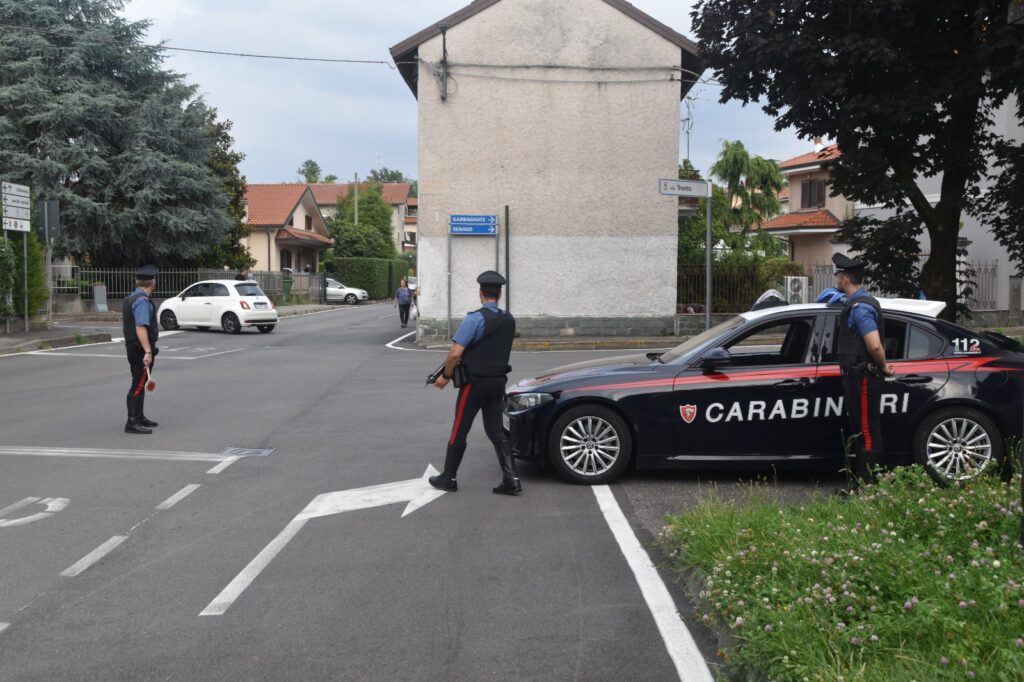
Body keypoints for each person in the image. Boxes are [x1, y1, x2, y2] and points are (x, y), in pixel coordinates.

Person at [429, 271, 520, 495]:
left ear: (480, 293)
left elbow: (454, 354)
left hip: (474, 384)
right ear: (499, 293)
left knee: (460, 428)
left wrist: (446, 377)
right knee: (496, 431)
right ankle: (512, 479)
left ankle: (449, 477)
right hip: (498, 383)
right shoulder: (509, 320)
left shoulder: (474, 319)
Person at [833, 254, 896, 483]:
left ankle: (869, 487)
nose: (836, 279)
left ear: (845, 278)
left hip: (864, 377)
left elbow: (875, 345)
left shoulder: (861, 309)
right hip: (856, 376)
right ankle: (861, 483)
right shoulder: (853, 303)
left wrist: (883, 366)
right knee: (861, 431)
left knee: (868, 433)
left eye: (838, 275)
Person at [123, 265, 160, 434]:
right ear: (152, 282)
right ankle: (132, 422)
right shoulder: (142, 301)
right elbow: (140, 327)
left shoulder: (131, 297)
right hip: (139, 349)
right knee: (138, 384)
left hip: (133, 347)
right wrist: (148, 351)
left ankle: (139, 416)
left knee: (141, 381)